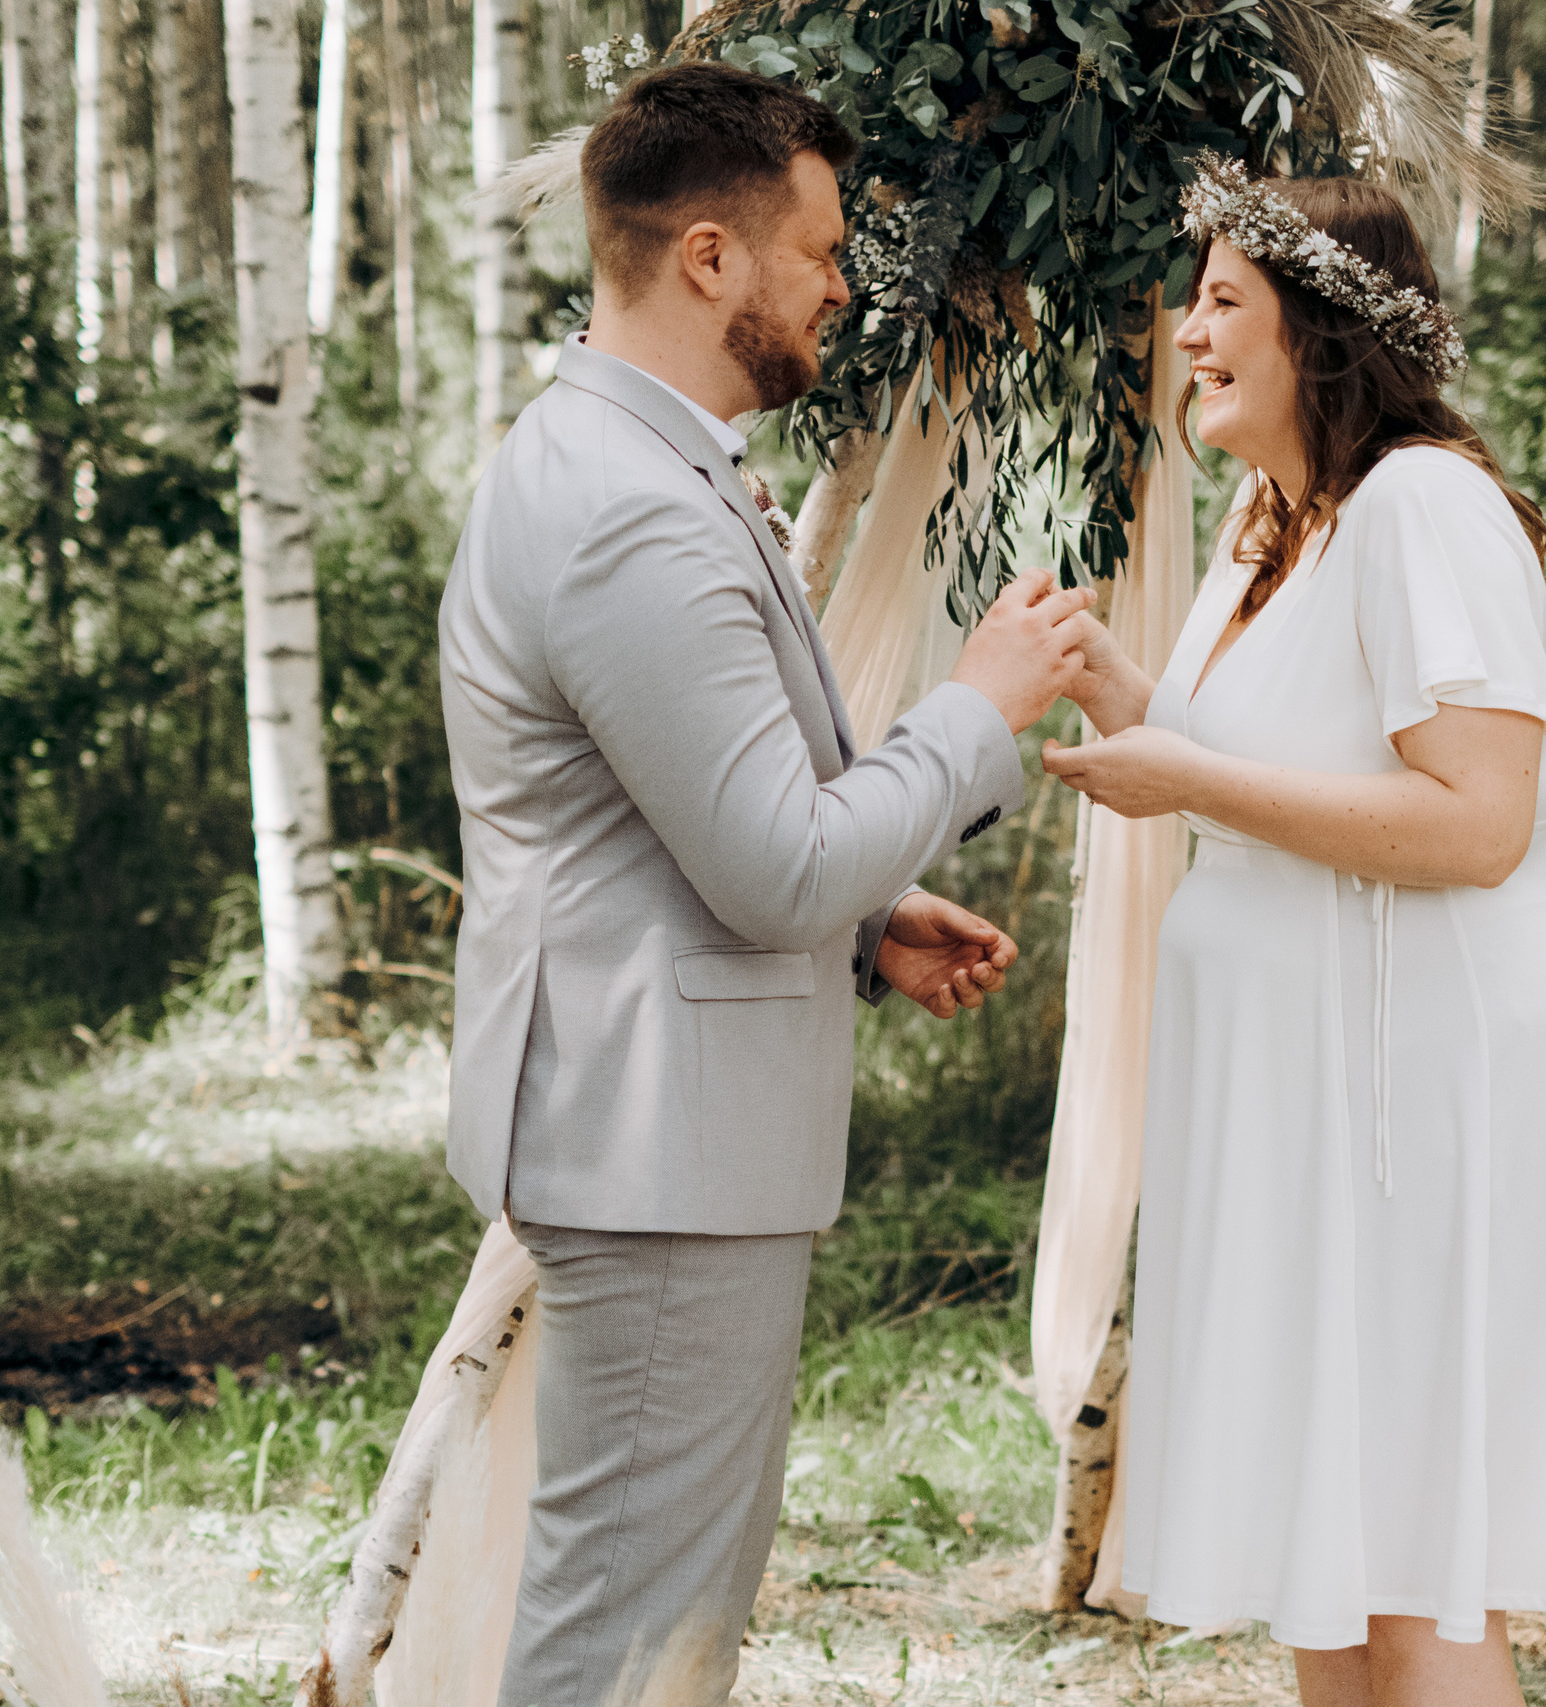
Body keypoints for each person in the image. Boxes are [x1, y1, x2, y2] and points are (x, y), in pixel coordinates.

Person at [435, 63, 1092, 1707]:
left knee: (658, 1611)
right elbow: (773, 866)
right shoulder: (628, 513)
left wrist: (872, 926)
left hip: (661, 1123)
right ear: (710, 257)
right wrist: (979, 703)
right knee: (633, 1633)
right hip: (662, 1144)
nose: (844, 283)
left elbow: (689, 822)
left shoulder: (636, 462)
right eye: (818, 249)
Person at [1041, 159, 1546, 1707]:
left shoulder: (1422, 506)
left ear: (1318, 327)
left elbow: (1478, 820)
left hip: (1431, 1088)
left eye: (1220, 300)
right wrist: (1114, 693)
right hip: (1314, 1096)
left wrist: (1179, 775)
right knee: (1327, 1562)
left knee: (1414, 1559)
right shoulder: (1280, 524)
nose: (1186, 332)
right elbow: (1280, 759)